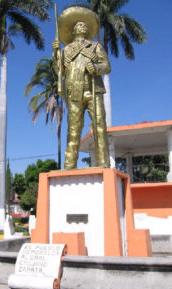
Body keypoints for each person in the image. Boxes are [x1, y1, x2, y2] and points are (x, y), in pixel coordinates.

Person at [52, 7, 111, 169]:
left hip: (94, 89)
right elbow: (59, 70)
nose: (83, 26)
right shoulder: (65, 51)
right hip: (74, 92)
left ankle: (103, 162)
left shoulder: (95, 47)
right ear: (73, 30)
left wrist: (96, 68)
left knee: (100, 126)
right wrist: (55, 53)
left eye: (85, 25)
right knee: (73, 130)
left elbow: (107, 66)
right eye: (79, 25)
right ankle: (69, 165)